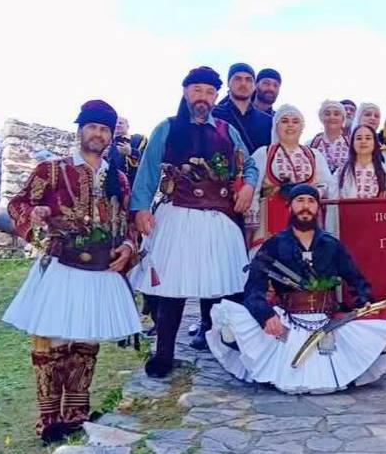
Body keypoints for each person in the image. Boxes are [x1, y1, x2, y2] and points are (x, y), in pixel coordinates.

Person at [2, 100, 141, 442]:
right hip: (61, 265)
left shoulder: (120, 179)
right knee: (53, 342)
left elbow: (128, 223)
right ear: (80, 130)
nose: (98, 134)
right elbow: (19, 203)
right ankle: (49, 421)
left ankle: (76, 414)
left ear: (110, 136)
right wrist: (35, 218)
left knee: (86, 342)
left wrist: (127, 247)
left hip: (100, 270)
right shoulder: (51, 170)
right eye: (92, 127)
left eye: (104, 129)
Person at [207, 184, 386, 394]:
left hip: (327, 321)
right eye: (300, 201)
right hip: (287, 319)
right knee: (229, 329)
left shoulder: (331, 245)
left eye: (311, 201)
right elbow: (254, 288)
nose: (306, 206)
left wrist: (364, 305)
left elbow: (357, 281)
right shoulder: (274, 245)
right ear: (290, 206)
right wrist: (266, 315)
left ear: (318, 208)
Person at [131, 66, 259, 378]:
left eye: (209, 92)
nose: (203, 97)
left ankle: (225, 349)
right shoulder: (167, 128)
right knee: (171, 287)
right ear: (186, 92)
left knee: (221, 286)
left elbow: (250, 164)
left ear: (216, 96)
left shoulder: (227, 131)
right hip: (178, 212)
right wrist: (141, 209)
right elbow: (148, 170)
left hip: (218, 216)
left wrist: (248, 186)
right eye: (197, 90)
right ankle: (164, 354)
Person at [248, 105, 332, 255]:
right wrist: (252, 220)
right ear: (276, 126)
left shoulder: (314, 155)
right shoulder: (263, 153)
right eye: (285, 121)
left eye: (295, 121)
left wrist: (312, 193)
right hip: (272, 219)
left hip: (307, 218)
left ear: (302, 127)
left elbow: (328, 185)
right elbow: (252, 187)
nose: (290, 125)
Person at [324, 125, 386, 236]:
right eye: (359, 138)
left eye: (368, 138)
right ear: (352, 143)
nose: (363, 141)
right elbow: (332, 208)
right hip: (348, 229)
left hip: (378, 231)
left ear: (374, 143)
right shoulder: (340, 174)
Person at [212, 62, 273, 153]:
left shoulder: (268, 121)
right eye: (238, 79)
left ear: (254, 86)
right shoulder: (214, 115)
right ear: (228, 83)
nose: (243, 83)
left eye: (249, 80)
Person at [310, 100, 350, 174]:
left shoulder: (350, 143)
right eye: (327, 114)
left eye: (336, 114)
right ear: (321, 118)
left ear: (343, 118)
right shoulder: (312, 144)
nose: (332, 117)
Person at [109, 116, 148, 187]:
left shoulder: (138, 139)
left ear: (127, 126)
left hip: (134, 184)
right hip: (112, 184)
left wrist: (131, 152)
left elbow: (149, 158)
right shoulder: (108, 142)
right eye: (115, 123)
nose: (117, 125)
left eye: (120, 123)